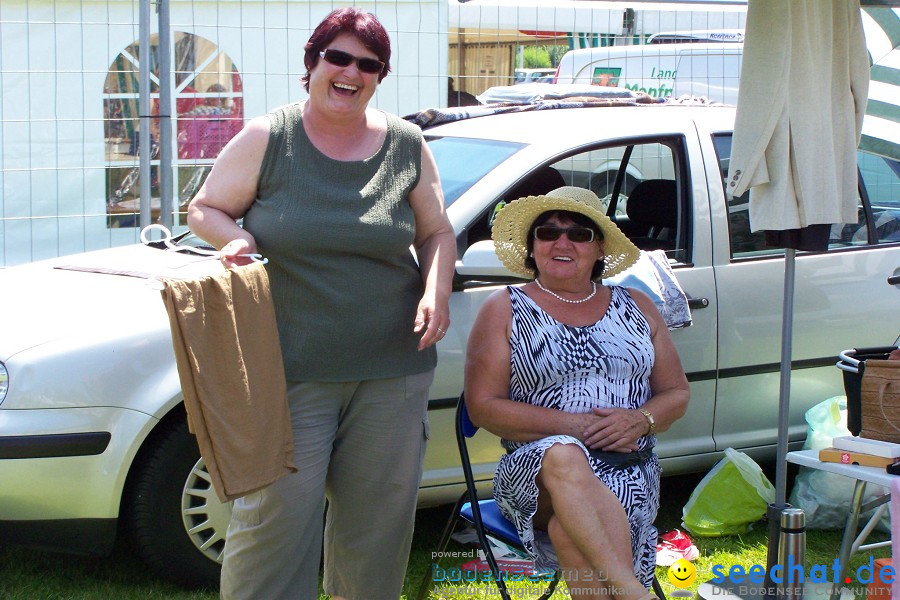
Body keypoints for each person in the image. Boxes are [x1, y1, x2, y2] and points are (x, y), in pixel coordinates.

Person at [186, 7, 455, 599]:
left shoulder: (407, 145)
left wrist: (437, 289)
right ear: (312, 63)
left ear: (380, 76)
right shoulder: (269, 137)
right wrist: (236, 238)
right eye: (339, 57)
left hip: (393, 369)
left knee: (376, 530)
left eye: (369, 64)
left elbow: (436, 231)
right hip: (288, 368)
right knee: (273, 524)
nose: (351, 72)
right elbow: (204, 207)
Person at [465, 186, 690, 600]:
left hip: (628, 468)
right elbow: (483, 408)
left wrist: (642, 419)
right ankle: (633, 592)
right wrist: (577, 427)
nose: (561, 242)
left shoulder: (637, 305)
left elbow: (676, 393)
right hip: (535, 474)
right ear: (532, 248)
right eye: (547, 233)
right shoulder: (505, 307)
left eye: (578, 233)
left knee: (570, 531)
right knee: (564, 453)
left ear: (599, 247)